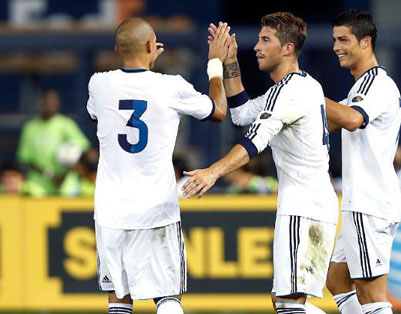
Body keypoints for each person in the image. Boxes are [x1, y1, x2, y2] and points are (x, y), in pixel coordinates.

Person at [183, 12, 339, 314]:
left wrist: (212, 172)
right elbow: (241, 114)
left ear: (288, 48)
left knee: (288, 303)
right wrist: (229, 61)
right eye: (258, 39)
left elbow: (254, 141)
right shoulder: (295, 88)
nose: (256, 46)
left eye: (266, 40)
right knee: (287, 301)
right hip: (313, 205)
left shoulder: (289, 92)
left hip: (304, 208)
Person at [86, 18, 230, 314]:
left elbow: (98, 114)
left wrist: (145, 56)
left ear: (116, 49)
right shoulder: (171, 86)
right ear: (153, 46)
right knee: (167, 298)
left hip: (111, 211)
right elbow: (218, 111)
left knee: (118, 301)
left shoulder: (98, 84)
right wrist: (215, 63)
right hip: (156, 210)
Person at [323, 9, 401, 314]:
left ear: (366, 42)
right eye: (334, 40)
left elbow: (353, 119)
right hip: (363, 202)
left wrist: (307, 90)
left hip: (369, 202)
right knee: (338, 280)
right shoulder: (359, 88)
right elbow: (331, 120)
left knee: (372, 295)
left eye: (343, 39)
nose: (335, 47)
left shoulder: (376, 84)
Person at [16, 89, 91, 196]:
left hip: (66, 181)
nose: (50, 105)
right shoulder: (30, 128)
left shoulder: (66, 124)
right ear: (41, 103)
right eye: (46, 102)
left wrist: (64, 174)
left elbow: (84, 149)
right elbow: (24, 159)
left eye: (53, 102)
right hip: (39, 184)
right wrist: (49, 175)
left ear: (58, 104)